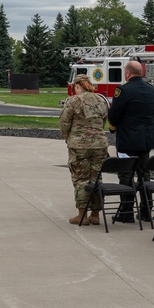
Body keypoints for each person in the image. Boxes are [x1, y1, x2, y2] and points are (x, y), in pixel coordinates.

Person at [106, 60, 154, 223]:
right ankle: (146, 211)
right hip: (146, 138)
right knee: (144, 174)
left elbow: (114, 115)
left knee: (126, 175)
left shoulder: (123, 90)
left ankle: (127, 211)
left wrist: (112, 128)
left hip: (128, 138)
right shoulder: (151, 89)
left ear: (128, 73)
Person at [59, 74, 109, 226]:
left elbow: (64, 121)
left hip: (79, 145)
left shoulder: (74, 101)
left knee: (81, 179)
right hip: (99, 144)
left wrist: (67, 137)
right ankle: (95, 214)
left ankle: (82, 215)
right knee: (97, 178)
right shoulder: (101, 100)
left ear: (77, 86)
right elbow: (104, 120)